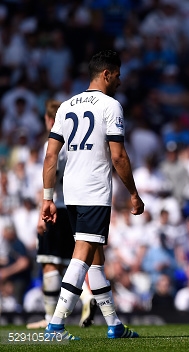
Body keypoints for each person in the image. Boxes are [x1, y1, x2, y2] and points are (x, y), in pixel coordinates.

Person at [41, 49, 144, 340]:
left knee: (96, 257)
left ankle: (114, 325)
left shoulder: (65, 106)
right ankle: (55, 326)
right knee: (83, 255)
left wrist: (48, 197)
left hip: (70, 192)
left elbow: (50, 156)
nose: (120, 82)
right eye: (118, 76)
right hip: (94, 191)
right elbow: (119, 156)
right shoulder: (111, 106)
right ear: (106, 74)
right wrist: (134, 193)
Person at [26, 99, 98, 330]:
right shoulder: (77, 145)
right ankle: (86, 294)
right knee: (72, 263)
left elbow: (50, 175)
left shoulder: (54, 145)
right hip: (78, 208)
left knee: (49, 263)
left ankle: (50, 319)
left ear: (49, 120)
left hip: (56, 207)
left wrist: (42, 211)